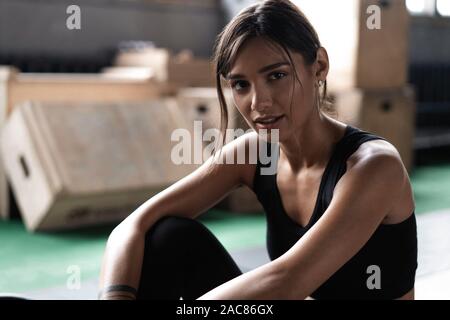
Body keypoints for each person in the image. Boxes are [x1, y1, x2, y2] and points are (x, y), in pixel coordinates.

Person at [98, 0, 417, 300]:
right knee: (167, 236)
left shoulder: (374, 166)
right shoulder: (253, 154)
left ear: (318, 66)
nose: (258, 103)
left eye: (276, 76)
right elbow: (133, 226)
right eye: (240, 84)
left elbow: (287, 280)